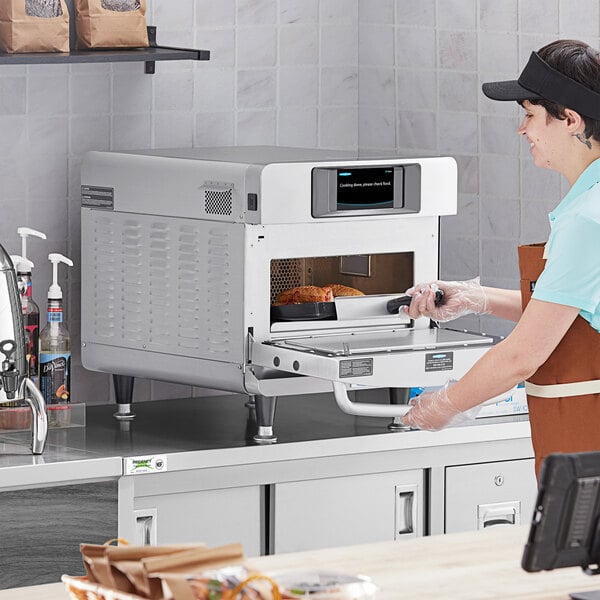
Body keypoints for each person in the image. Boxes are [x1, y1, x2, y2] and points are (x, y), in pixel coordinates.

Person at [400, 39, 600, 478]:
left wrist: (443, 406)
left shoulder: (588, 219)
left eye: (529, 115)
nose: (522, 130)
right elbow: (573, 311)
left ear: (569, 119)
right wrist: (476, 298)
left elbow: (521, 356)